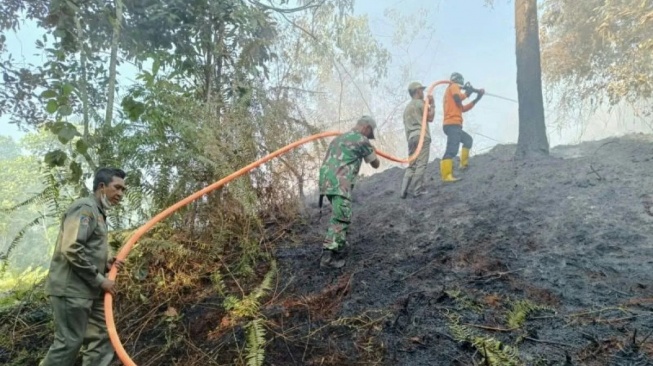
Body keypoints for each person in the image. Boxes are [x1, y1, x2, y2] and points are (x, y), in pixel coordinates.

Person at [41, 168, 127, 366]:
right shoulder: (84, 209)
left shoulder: (98, 212)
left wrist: (106, 263)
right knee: (69, 342)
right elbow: (71, 248)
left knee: (102, 337)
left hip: (89, 291)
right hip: (71, 290)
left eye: (123, 190)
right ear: (102, 186)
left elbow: (87, 249)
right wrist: (101, 280)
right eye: (117, 188)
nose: (120, 194)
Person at [318, 116, 380, 268]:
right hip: (340, 183)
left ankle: (339, 242)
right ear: (366, 128)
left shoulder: (339, 138)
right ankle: (328, 257)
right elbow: (376, 164)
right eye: (369, 133)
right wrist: (373, 150)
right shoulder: (362, 140)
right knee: (341, 217)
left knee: (339, 212)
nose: (368, 136)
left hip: (326, 181)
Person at [440, 72, 484, 182]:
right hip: (452, 124)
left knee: (468, 140)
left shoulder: (452, 92)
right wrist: (468, 94)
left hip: (454, 125)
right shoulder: (453, 86)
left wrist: (477, 99)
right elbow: (458, 99)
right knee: (452, 150)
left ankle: (463, 165)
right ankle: (446, 176)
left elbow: (463, 108)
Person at [400, 81, 435, 199]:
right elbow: (430, 118)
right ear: (417, 91)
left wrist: (410, 141)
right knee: (421, 163)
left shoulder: (406, 109)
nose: (423, 92)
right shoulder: (421, 103)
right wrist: (432, 104)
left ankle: (403, 191)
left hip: (411, 138)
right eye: (421, 90)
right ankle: (417, 190)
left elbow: (405, 127)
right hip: (422, 136)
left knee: (412, 165)